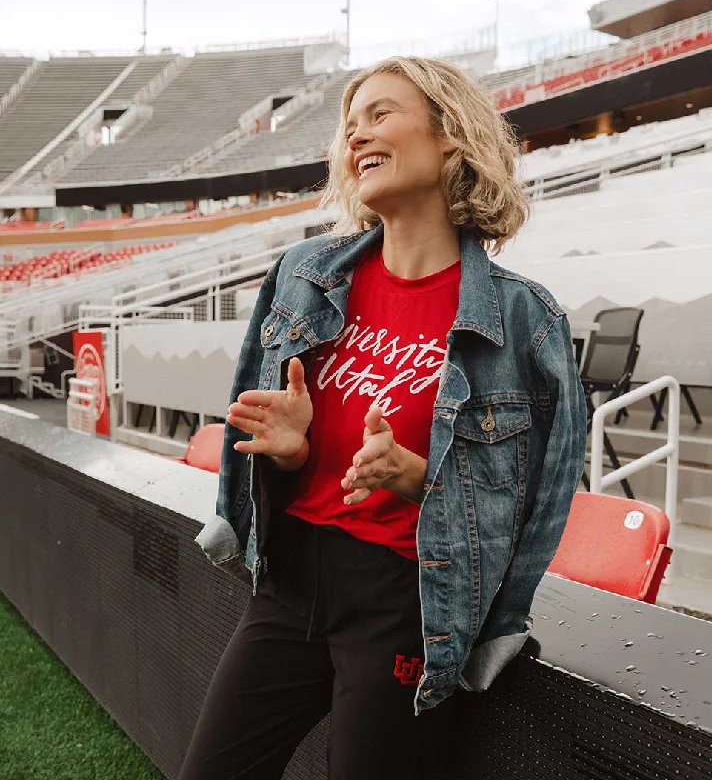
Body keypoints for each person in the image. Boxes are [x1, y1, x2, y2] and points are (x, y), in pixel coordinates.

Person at [181, 56, 586, 780]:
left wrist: (421, 481)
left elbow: (543, 502)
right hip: (289, 580)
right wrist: (292, 453)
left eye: (380, 114)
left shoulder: (527, 319)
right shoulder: (303, 273)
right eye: (349, 124)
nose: (356, 135)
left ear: (450, 137)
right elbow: (261, 414)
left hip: (406, 601)